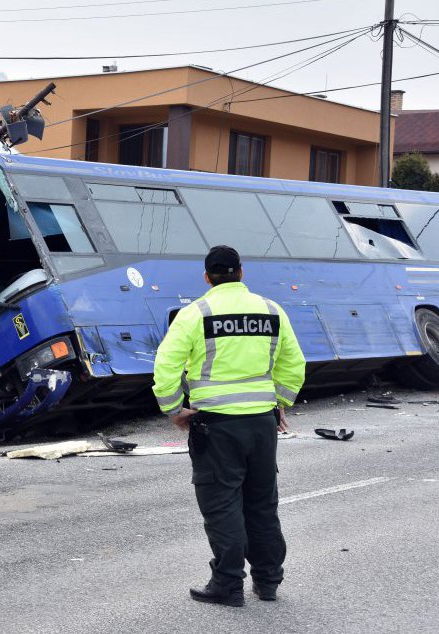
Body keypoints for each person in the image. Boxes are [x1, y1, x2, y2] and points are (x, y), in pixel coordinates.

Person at [152, 245, 305, 607]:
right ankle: (268, 582)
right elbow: (293, 364)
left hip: (215, 428)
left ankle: (227, 584)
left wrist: (175, 410)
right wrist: (280, 403)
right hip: (262, 426)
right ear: (241, 271)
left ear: (207, 277)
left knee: (223, 505)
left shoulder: (194, 314)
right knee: (261, 503)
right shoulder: (271, 311)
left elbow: (166, 367)